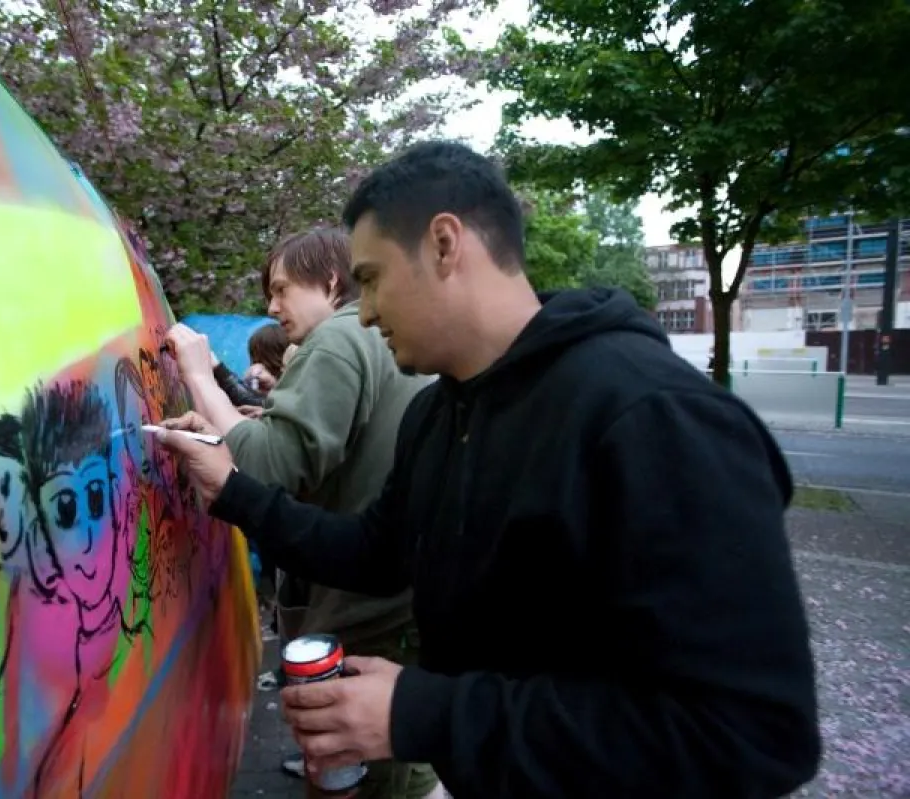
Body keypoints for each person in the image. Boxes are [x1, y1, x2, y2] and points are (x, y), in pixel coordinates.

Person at [153, 140, 822, 799]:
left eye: (375, 278)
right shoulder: (441, 415)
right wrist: (232, 489)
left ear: (445, 244)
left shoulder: (652, 418)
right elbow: (377, 552)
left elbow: (751, 735)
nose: (367, 311)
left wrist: (421, 713)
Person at [164, 227, 438, 799]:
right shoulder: (384, 341)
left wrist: (195, 372)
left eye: (283, 288)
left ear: (331, 281)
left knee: (367, 780)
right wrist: (245, 424)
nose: (271, 305)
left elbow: (268, 467)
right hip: (402, 611)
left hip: (369, 619)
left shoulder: (339, 339)